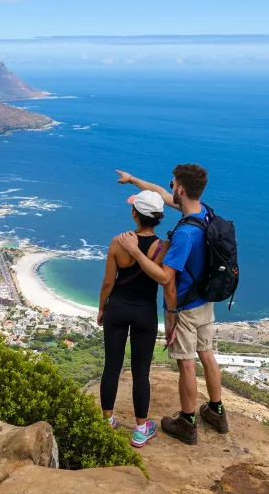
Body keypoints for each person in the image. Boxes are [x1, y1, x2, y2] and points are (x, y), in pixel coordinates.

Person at [114, 164, 228, 445]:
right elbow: (161, 194)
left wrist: (134, 252)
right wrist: (132, 181)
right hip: (206, 302)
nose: (170, 186)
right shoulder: (204, 212)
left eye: (173, 183)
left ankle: (187, 423)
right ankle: (216, 411)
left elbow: (165, 277)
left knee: (187, 364)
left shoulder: (184, 235)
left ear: (181, 189)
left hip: (186, 308)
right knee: (207, 354)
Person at [98, 190, 177, 448]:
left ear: (135, 214)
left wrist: (101, 309)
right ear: (158, 218)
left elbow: (109, 281)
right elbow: (167, 286)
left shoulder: (118, 242)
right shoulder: (164, 248)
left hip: (117, 309)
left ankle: (106, 421)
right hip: (144, 312)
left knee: (112, 366)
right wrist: (171, 320)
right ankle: (141, 428)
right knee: (140, 372)